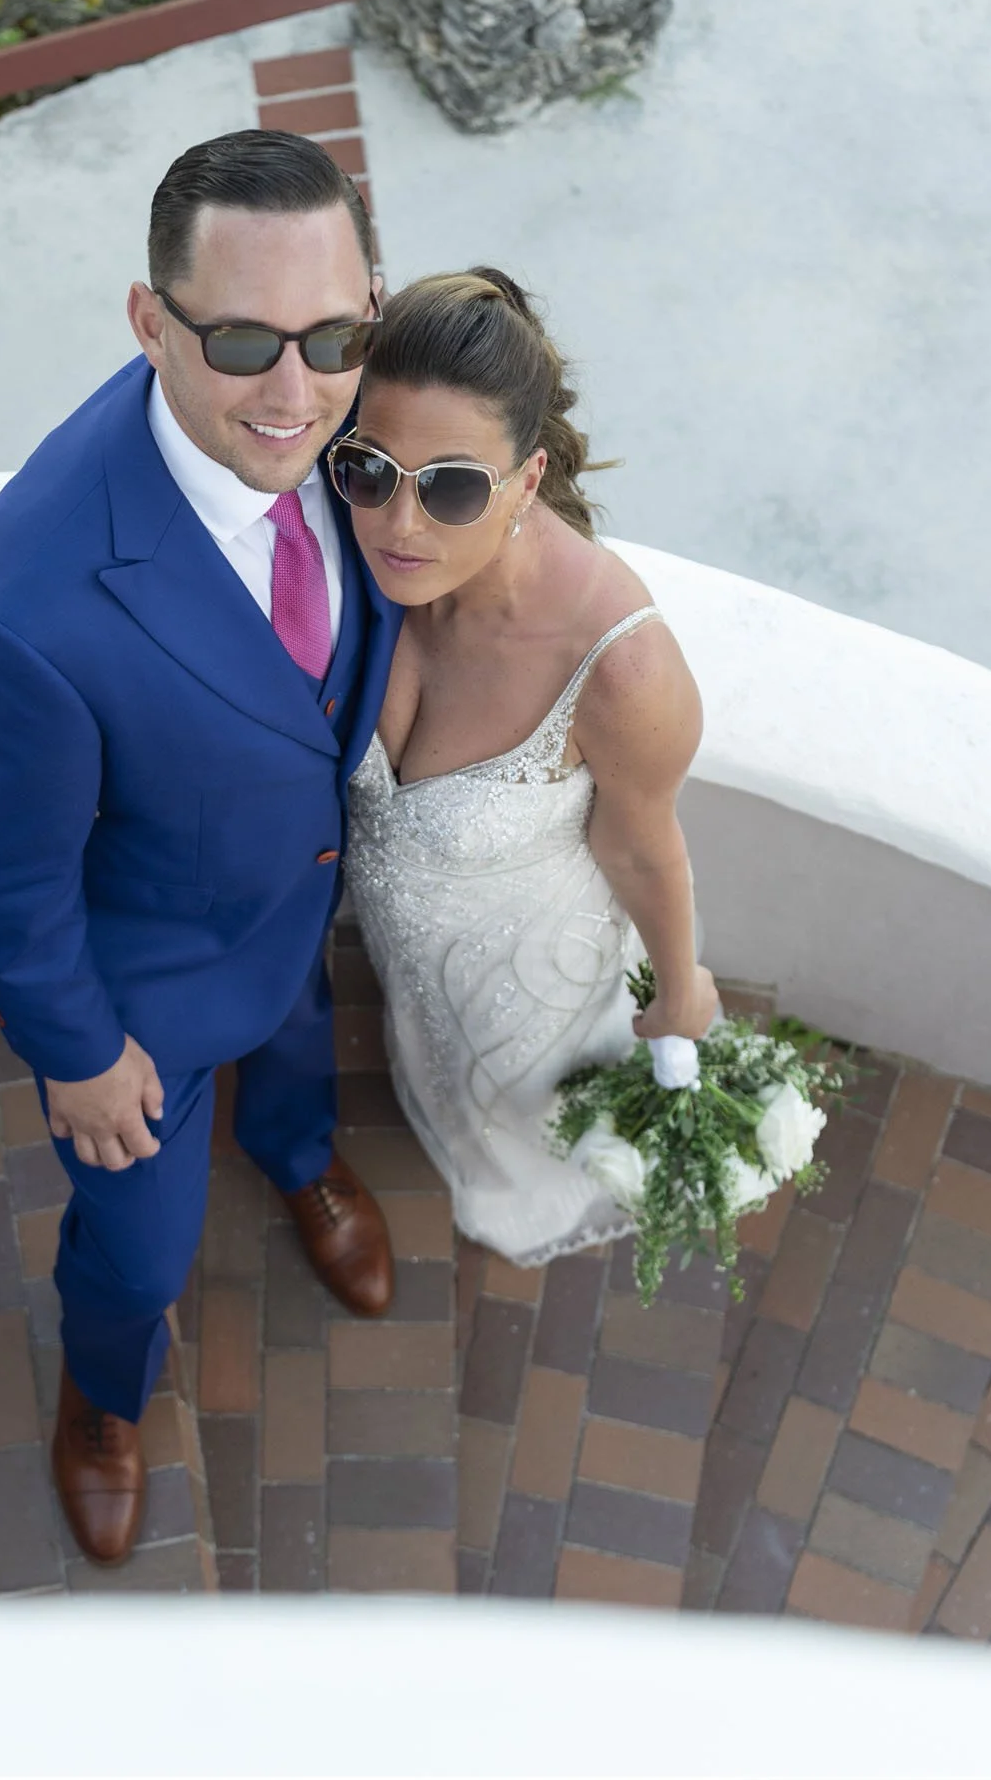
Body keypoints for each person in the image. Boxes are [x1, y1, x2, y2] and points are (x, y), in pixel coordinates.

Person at [0, 131, 402, 1568]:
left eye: (333, 336)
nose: (296, 392)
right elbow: (2, 871)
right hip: (144, 1001)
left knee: (299, 1061)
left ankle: (298, 1153)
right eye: (244, 339)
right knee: (135, 1250)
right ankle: (103, 1404)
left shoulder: (355, 438)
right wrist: (75, 1053)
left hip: (291, 916)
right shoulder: (19, 611)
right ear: (149, 320)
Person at [332, 268, 719, 1267]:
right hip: (404, 948)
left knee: (523, 1106)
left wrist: (680, 990)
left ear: (529, 477)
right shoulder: (354, 529)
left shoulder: (622, 666)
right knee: (436, 1061)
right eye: (370, 468)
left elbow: (643, 848)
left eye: (453, 486)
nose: (400, 525)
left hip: (530, 972)